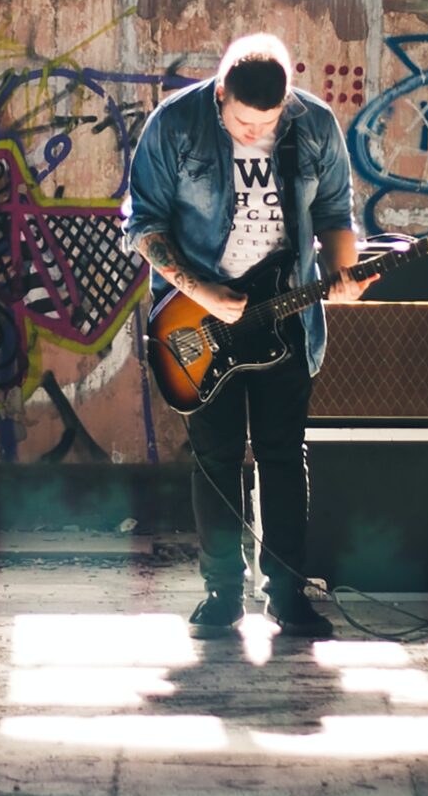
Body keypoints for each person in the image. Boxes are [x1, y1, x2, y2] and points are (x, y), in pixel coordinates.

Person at [122, 34, 374, 638]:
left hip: (286, 314)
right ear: (219, 93)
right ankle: (221, 593)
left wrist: (344, 274)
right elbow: (143, 224)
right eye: (241, 120)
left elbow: (337, 210)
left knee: (284, 456)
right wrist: (204, 293)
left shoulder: (312, 125)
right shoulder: (176, 124)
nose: (254, 131)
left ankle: (287, 595)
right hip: (200, 322)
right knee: (216, 458)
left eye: (267, 120)